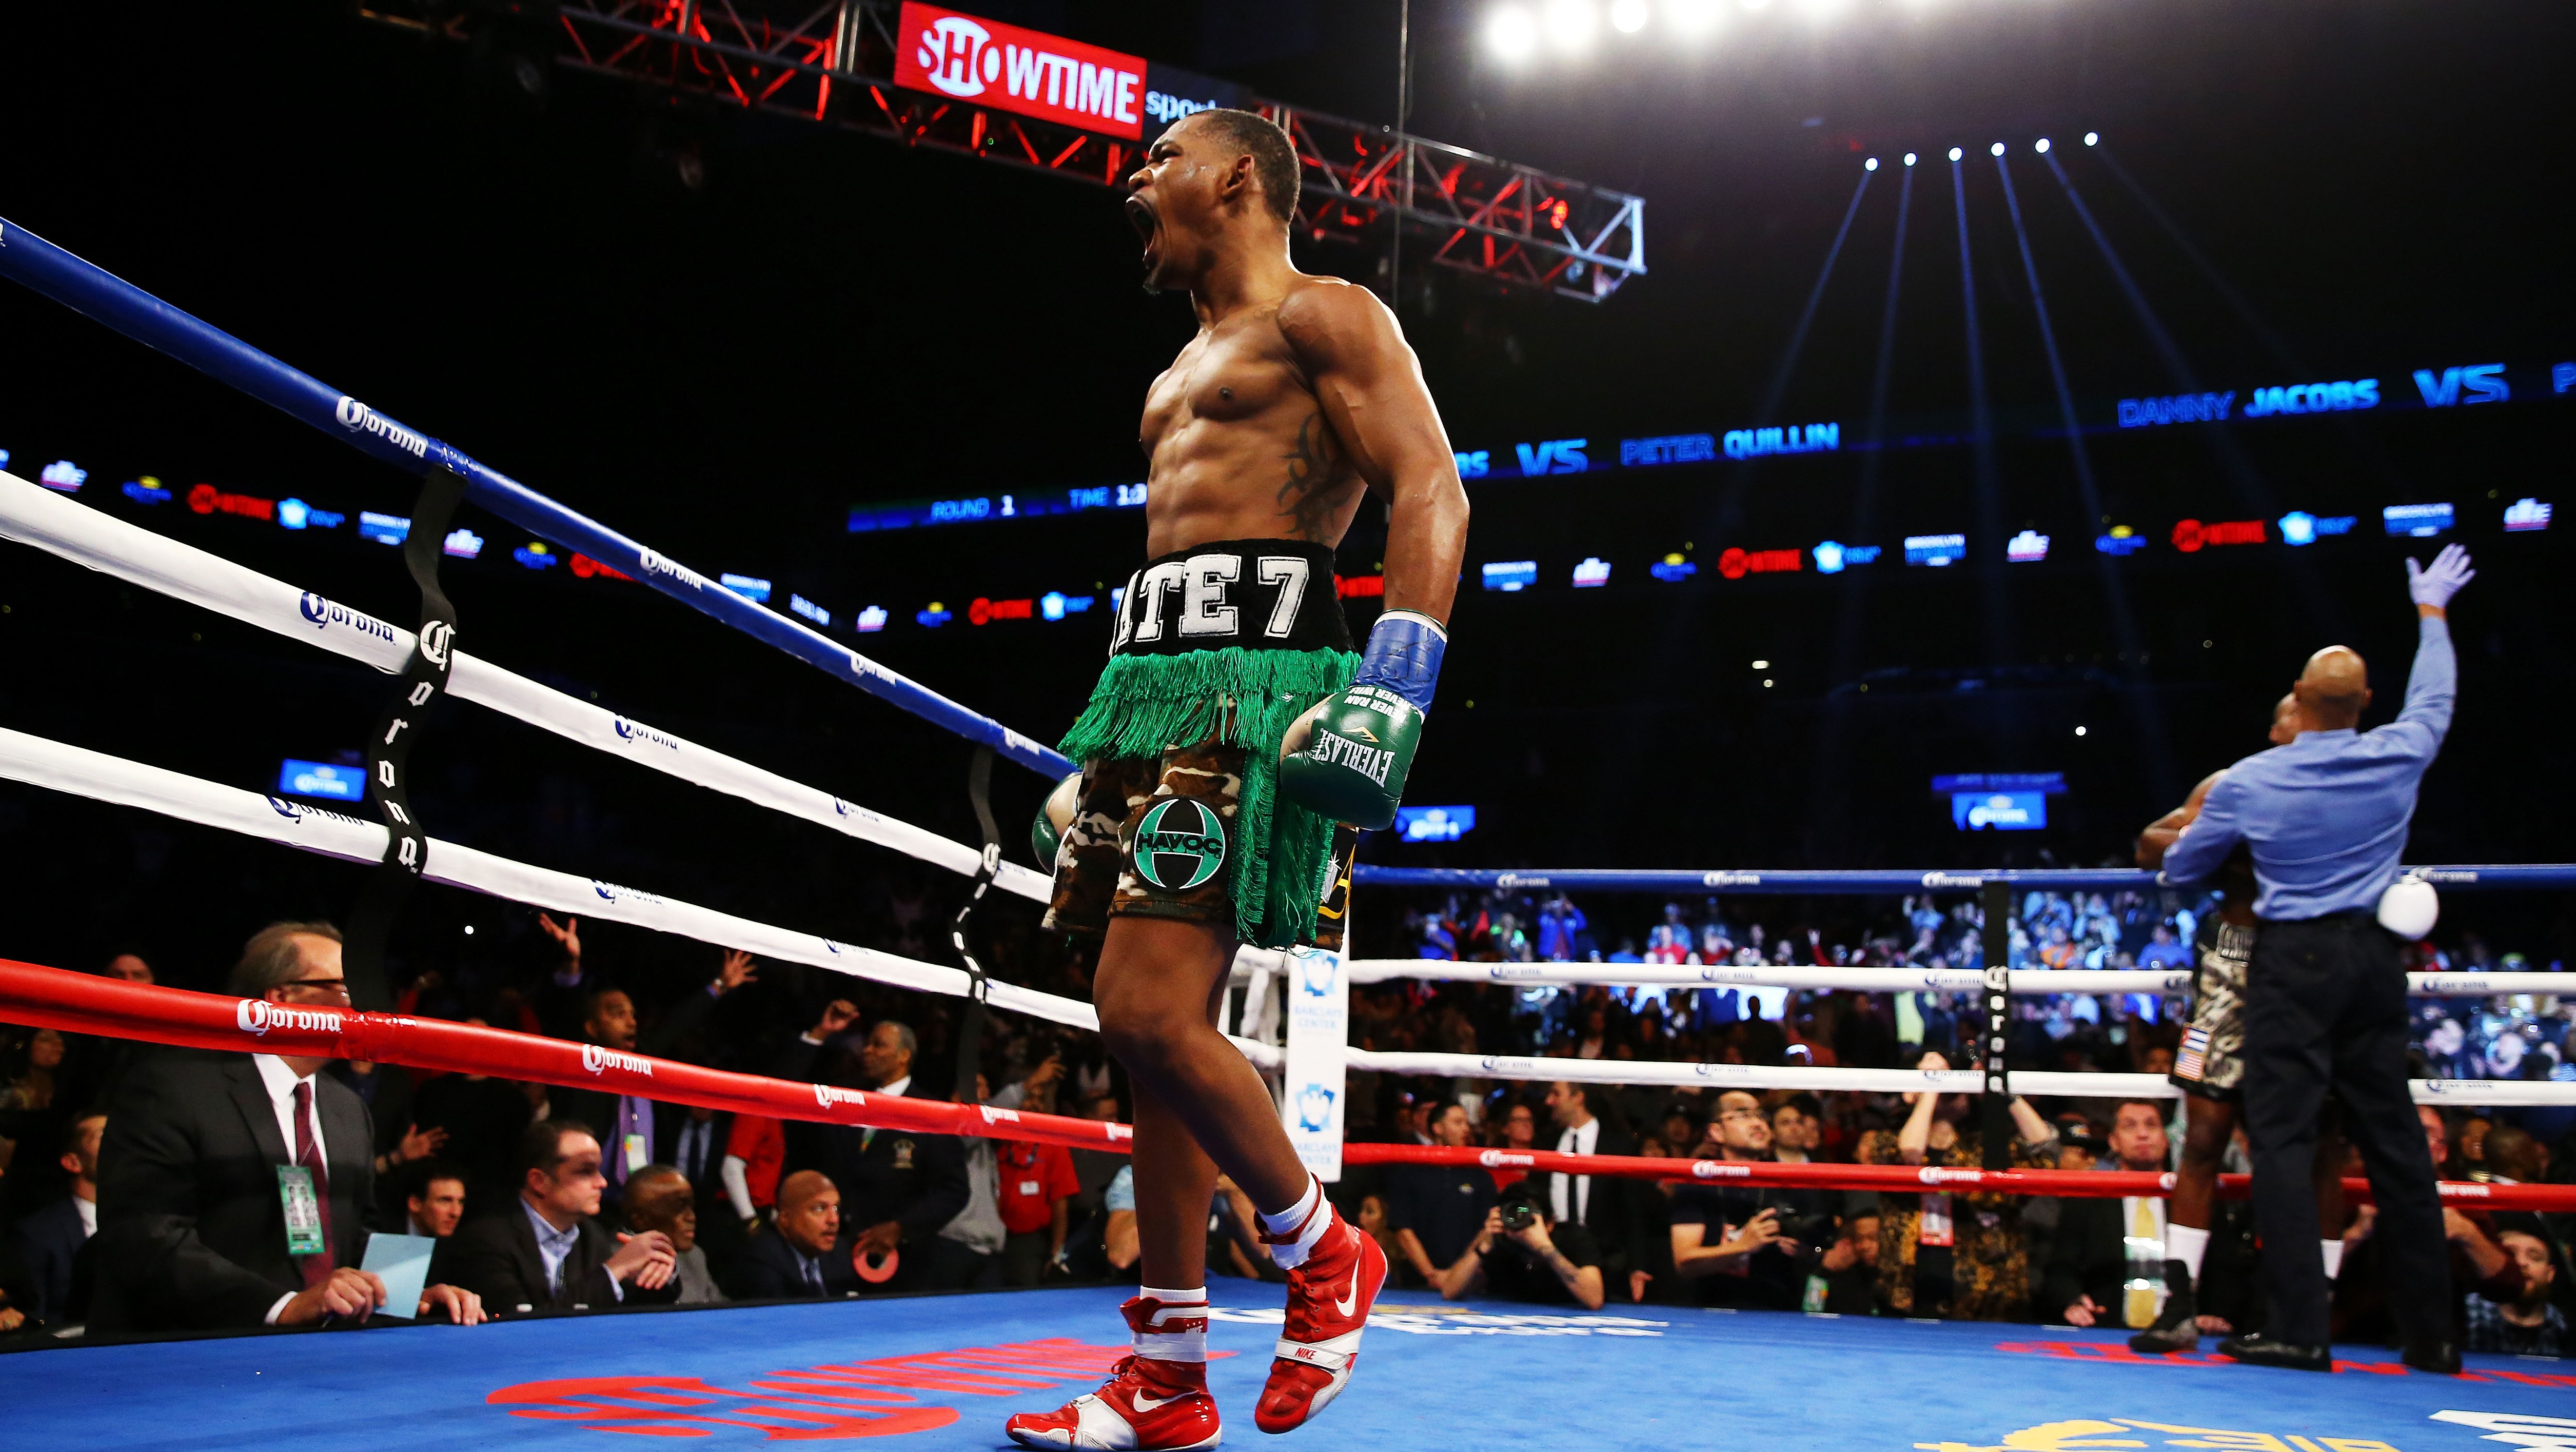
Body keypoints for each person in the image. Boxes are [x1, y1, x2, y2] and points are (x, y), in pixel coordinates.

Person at [1009, 106, 1469, 1450]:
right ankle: (1162, 1367)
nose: (1133, 182)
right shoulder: (1181, 359)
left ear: (1235, 177)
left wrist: (1390, 687)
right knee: (1148, 1040)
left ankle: (1320, 1243)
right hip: (1151, 689)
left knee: (1143, 1003)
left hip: (1251, 687)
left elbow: (1430, 489)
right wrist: (1101, 742)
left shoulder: (1322, 315)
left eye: (1158, 159)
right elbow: (1180, 554)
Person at [2162, 543, 2475, 1375]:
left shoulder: (2249, 781)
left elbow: (2181, 868)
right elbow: (2435, 695)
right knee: (2396, 1144)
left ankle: (2300, 1330)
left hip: (2291, 959)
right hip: (2373, 958)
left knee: (2286, 1142)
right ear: (2364, 702)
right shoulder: (2398, 751)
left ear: (2297, 702)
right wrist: (2431, 610)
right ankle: (2433, 1336)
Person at [90, 922, 484, 1331]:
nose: (361, 1004)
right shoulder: (173, 1088)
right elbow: (144, 1237)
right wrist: (283, 1306)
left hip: (317, 1360)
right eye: (343, 987)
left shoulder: (346, 1107)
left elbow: (356, 1230)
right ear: (281, 997)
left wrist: (404, 1293)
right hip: (196, 1354)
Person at [2129, 694, 2349, 1355]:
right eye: (2278, 714)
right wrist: (2220, 840)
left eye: (2288, 714)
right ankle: (2177, 1304)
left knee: (2316, 1149)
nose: (2277, 724)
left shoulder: (2346, 786)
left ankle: (2310, 1312)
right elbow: (2148, 844)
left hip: (2312, 963)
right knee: (2200, 1137)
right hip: (2227, 968)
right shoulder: (2232, 784)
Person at [548, 946, 757, 1207]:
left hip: (638, 1204)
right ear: (592, 1027)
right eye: (617, 1014)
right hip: (582, 1197)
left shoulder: (644, 1063)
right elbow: (565, 1015)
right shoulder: (580, 1065)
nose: (631, 1022)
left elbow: (676, 1024)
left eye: (632, 1015)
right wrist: (571, 966)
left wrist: (720, 985)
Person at [776, 1010, 968, 1293]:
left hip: (899, 1263)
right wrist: (820, 1033)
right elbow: (787, 1092)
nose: (867, 1050)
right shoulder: (848, 1101)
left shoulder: (931, 1113)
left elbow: (954, 1190)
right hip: (834, 1255)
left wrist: (901, 1228)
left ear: (904, 1056)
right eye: (868, 1044)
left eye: (879, 1045)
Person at [447, 1118, 678, 1314]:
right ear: (540, 1181)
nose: (602, 1182)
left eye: (599, 1171)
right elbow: (524, 1330)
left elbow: (615, 1306)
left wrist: (656, 1271)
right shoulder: (487, 1240)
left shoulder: (591, 1234)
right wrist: (615, 1270)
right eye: (586, 1171)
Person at [2043, 1101, 2179, 1330]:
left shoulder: (2192, 1203)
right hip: (2105, 1328)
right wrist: (2072, 1301)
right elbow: (2061, 1267)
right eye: (2130, 1126)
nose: (2143, 1134)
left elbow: (2223, 1271)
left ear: (2166, 1139)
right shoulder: (2087, 1200)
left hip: (2182, 1334)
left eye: (2151, 1125)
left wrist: (2213, 1314)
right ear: (2114, 1141)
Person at [1438, 1185, 1607, 1309]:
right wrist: (1484, 1242)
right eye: (1512, 1214)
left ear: (1550, 1223)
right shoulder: (1501, 1239)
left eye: (1527, 1215)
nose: (1519, 1221)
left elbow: (1594, 1299)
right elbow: (1450, 1292)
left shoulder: (1573, 1238)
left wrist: (1545, 1247)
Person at [1385, 1103, 1498, 1288]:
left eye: (1466, 1123)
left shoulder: (1479, 1176)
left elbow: (1485, 1229)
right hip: (1415, 1284)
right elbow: (1403, 1228)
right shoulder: (1411, 1171)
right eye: (1458, 1122)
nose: (1466, 1129)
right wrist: (1430, 1275)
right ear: (1438, 1128)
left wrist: (1457, 1275)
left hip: (1468, 1283)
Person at [8, 1112, 103, 1327]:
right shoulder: (38, 1234)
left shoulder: (150, 1219)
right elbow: (32, 1317)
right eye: (103, 1135)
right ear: (73, 1162)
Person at [734, 1169, 860, 1299]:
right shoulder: (761, 1260)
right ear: (785, 1218)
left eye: (836, 1209)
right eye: (819, 1209)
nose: (834, 1220)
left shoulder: (839, 1251)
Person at [623, 1165, 723, 1304]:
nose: (691, 1217)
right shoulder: (617, 1262)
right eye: (679, 1207)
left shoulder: (695, 1256)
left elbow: (721, 1310)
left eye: (691, 1206)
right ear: (640, 1219)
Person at [2462, 1220, 2563, 1356]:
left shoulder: (2563, 1326)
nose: (2522, 1263)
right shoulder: (2464, 1311)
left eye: (2535, 1257)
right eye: (2511, 1254)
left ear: (2550, 1274)